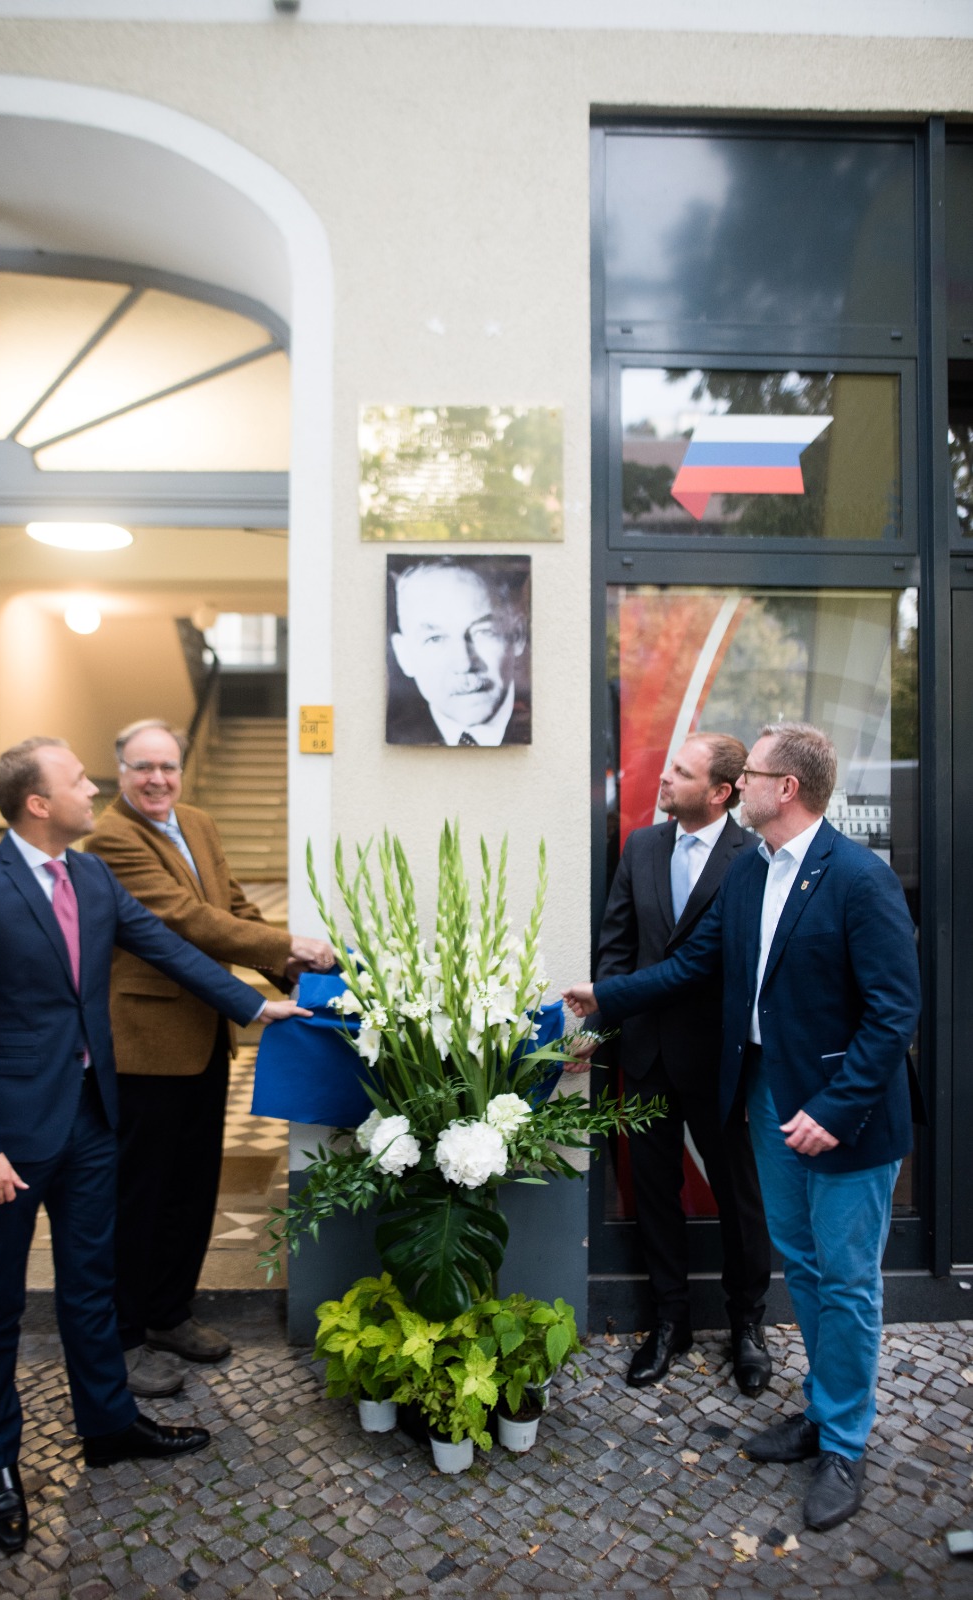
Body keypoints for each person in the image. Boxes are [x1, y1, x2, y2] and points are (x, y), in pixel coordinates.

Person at [0, 737, 312, 1555]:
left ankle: (107, 1424)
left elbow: (169, 947)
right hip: (9, 1142)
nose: (93, 786)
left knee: (91, 1284)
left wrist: (252, 1005)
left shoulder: (91, 876)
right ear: (37, 803)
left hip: (92, 1121)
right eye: (77, 780)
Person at [564, 723, 921, 1534]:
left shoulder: (860, 880)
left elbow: (895, 1013)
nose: (741, 785)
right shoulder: (754, 872)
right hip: (767, 1100)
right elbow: (695, 965)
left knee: (849, 1281)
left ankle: (846, 1444)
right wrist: (606, 996)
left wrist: (833, 1110)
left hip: (844, 1118)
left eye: (751, 773)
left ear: (781, 789)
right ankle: (824, 1416)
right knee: (805, 1264)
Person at [84, 718, 335, 1396]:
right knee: (138, 1194)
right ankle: (123, 1335)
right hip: (143, 1044)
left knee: (193, 1186)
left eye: (167, 766)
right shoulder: (110, 839)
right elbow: (185, 921)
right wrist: (291, 941)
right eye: (143, 768)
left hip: (203, 1036)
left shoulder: (196, 821)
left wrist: (288, 965)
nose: (158, 779)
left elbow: (231, 905)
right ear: (121, 772)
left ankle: (170, 1314)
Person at [588, 733, 772, 1395]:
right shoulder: (641, 847)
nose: (663, 779)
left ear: (720, 792)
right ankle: (670, 1320)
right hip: (643, 1051)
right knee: (655, 1192)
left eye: (681, 773)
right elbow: (618, 945)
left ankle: (747, 1325)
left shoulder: (753, 857)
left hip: (720, 1061)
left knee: (739, 1198)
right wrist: (603, 1023)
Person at [386, 556, 530, 745]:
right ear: (403, 655)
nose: (465, 664)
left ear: (517, 634)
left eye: (483, 632)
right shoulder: (392, 739)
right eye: (435, 639)